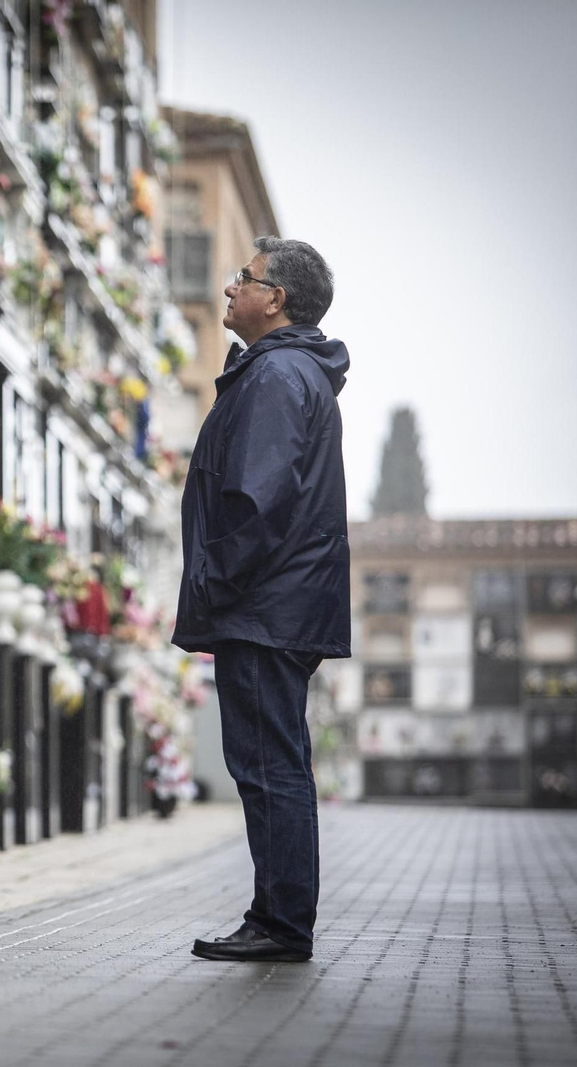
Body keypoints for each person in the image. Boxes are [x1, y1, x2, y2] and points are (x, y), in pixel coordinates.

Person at [174, 236, 351, 963]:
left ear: (274, 298)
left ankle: (280, 923)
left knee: (268, 766)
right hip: (278, 603)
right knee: (275, 762)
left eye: (242, 278)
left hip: (263, 605)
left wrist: (213, 581)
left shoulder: (276, 376)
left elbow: (257, 500)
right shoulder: (287, 371)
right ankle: (277, 916)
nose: (229, 288)